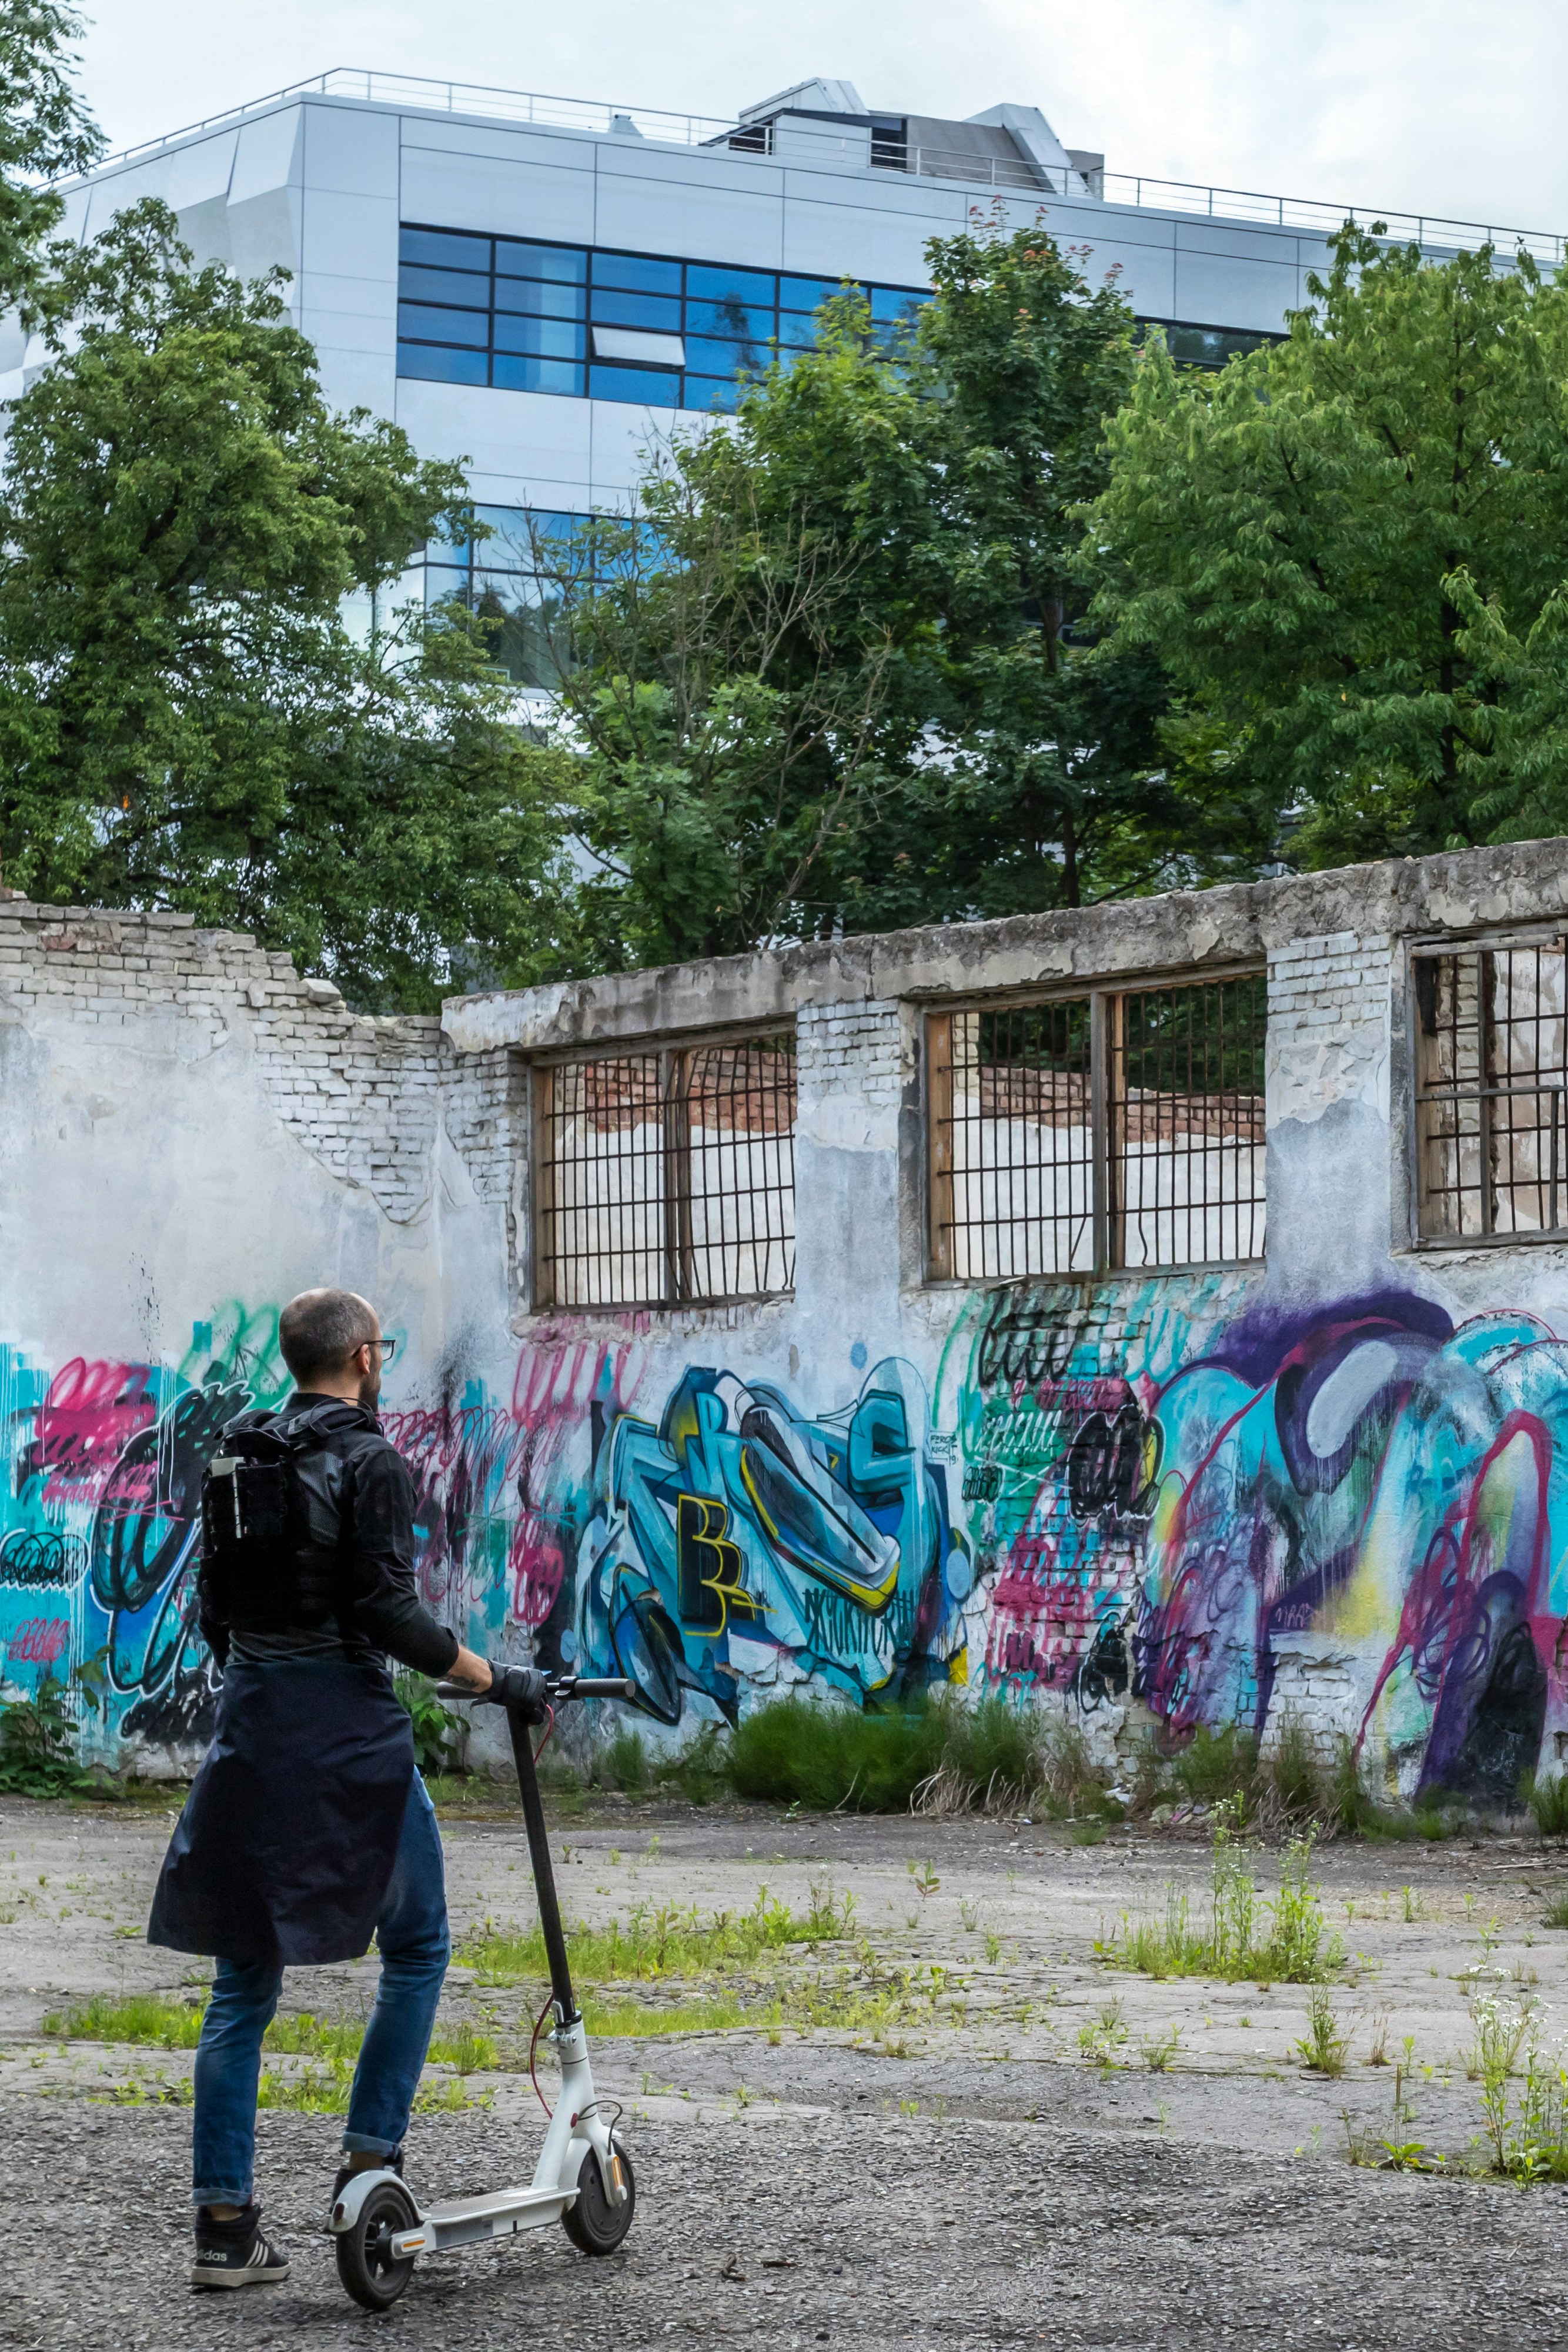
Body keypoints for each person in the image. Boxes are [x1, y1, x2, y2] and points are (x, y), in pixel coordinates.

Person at [148, 1287, 542, 2290]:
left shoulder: (238, 1451)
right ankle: (372, 2169)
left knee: (242, 1985)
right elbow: (389, 1617)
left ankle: (224, 2232)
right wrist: (499, 1680)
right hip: (348, 1738)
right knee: (419, 1944)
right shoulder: (369, 1459)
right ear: (366, 1357)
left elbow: (213, 1615)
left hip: (252, 1724)